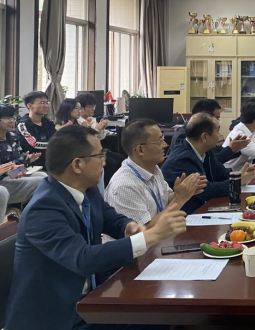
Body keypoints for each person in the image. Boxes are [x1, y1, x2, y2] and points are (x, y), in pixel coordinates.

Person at [5, 125, 187, 330]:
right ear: (77, 164)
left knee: (163, 311)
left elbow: (110, 218)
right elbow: (83, 259)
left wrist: (129, 227)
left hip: (89, 298)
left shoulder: (87, 190)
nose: (104, 162)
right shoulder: (43, 209)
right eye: (100, 155)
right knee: (156, 318)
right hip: (58, 317)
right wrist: (151, 235)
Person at [105, 119, 206, 226]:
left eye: (163, 139)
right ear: (140, 150)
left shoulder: (153, 169)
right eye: (159, 141)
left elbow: (164, 199)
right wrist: (179, 199)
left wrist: (183, 192)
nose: (165, 145)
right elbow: (144, 231)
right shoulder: (125, 186)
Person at [162, 113, 255, 214]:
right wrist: (237, 182)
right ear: (204, 137)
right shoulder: (182, 159)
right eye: (217, 131)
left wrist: (239, 175)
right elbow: (205, 191)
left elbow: (221, 173)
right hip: (187, 215)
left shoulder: (205, 151)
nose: (220, 135)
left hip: (202, 208)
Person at [169, 98, 250, 164]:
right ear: (205, 117)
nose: (217, 122)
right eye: (216, 118)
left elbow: (215, 154)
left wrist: (234, 148)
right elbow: (210, 162)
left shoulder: (203, 132)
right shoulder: (184, 136)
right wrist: (230, 150)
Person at [0, 105, 46, 221]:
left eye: (12, 117)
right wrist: (11, 169)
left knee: (43, 176)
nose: (11, 121)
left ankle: (29, 216)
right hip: (2, 178)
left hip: (12, 174)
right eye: (6, 118)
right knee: (40, 181)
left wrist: (27, 160)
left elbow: (17, 160)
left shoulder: (13, 137)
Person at [16, 91, 56, 167]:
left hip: (50, 162)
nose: (46, 106)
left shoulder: (48, 123)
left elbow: (56, 138)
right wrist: (54, 144)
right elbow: (34, 144)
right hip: (32, 164)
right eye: (42, 103)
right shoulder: (23, 125)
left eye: (47, 103)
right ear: (29, 106)